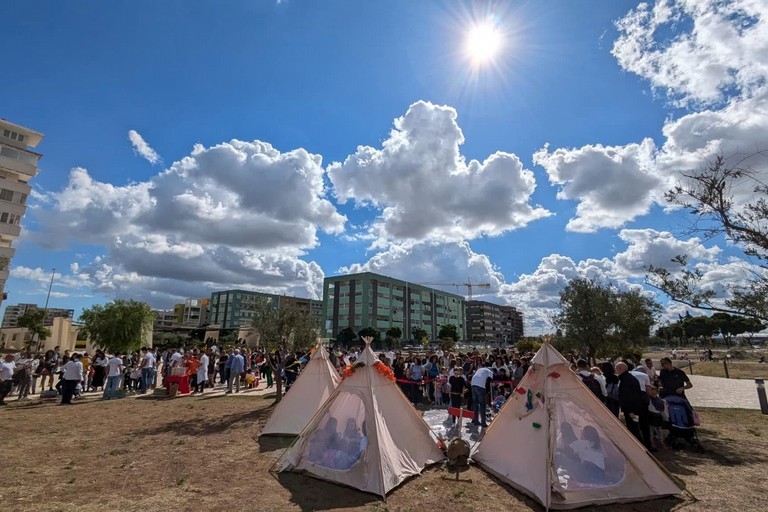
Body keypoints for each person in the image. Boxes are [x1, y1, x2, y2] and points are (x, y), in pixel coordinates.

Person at [616, 362, 654, 452]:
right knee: (642, 426)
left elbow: (629, 397)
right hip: (640, 406)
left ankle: (639, 447)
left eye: (616, 368)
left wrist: (630, 411)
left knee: (634, 428)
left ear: (620, 368)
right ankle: (646, 445)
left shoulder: (626, 380)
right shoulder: (628, 378)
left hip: (632, 410)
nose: (616, 371)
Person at [470, 363, 493, 427]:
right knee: (482, 404)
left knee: (475, 403)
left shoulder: (480, 369)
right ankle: (483, 422)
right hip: (480, 386)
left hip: (473, 384)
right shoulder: (490, 371)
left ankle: (475, 420)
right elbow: (489, 381)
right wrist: (487, 392)